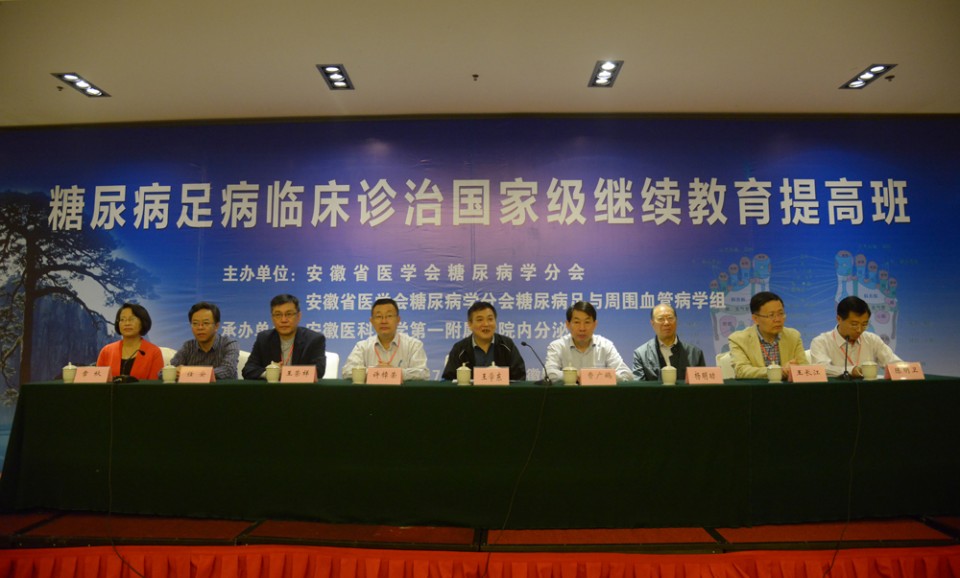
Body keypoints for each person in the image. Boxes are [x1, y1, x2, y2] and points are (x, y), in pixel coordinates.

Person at [809, 296, 901, 378]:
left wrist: (904, 369)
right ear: (839, 319)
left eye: (864, 324)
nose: (859, 330)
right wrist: (850, 371)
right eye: (854, 324)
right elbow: (821, 369)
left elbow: (894, 363)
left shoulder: (872, 340)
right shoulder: (820, 342)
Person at [342, 297, 429, 381]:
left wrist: (395, 372)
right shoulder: (362, 347)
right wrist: (375, 372)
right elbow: (347, 371)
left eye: (389, 316)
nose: (384, 321)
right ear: (372, 321)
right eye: (379, 316)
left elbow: (423, 373)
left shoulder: (413, 345)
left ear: (398, 320)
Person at [242, 294, 326, 380]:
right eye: (278, 315)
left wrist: (285, 373)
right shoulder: (264, 339)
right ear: (272, 318)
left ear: (298, 316)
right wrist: (271, 373)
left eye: (289, 314)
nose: (283, 320)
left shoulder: (314, 339)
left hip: (301, 388)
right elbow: (248, 370)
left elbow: (318, 371)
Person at [545, 301, 632, 382]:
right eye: (577, 322)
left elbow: (627, 374)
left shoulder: (605, 345)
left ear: (595, 324)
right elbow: (548, 374)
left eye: (587, 322)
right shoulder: (557, 346)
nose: (582, 328)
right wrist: (575, 375)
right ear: (568, 324)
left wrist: (597, 376)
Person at [728, 291, 807, 379]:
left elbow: (804, 367)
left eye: (781, 314)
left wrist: (795, 368)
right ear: (755, 319)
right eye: (771, 315)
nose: (778, 319)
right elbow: (741, 370)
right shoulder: (738, 339)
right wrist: (777, 371)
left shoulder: (793, 336)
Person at [441, 301, 526, 381]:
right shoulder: (460, 349)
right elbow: (448, 380)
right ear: (470, 324)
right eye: (480, 320)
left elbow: (520, 378)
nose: (486, 324)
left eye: (490, 319)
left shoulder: (507, 345)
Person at [633, 304, 706, 381]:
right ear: (652, 323)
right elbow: (639, 386)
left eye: (670, 318)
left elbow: (702, 385)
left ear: (676, 320)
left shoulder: (695, 353)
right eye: (661, 319)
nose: (666, 323)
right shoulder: (641, 354)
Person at [168, 301, 240, 380]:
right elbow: (163, 372)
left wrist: (189, 373)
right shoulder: (188, 346)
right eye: (195, 323)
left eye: (205, 323)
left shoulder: (229, 344)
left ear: (216, 326)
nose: (200, 328)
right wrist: (175, 372)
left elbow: (227, 370)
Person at [96, 302, 165, 381]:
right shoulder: (106, 351)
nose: (127, 323)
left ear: (142, 322)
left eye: (131, 319)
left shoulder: (154, 352)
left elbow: (154, 385)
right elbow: (98, 381)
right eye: (122, 319)